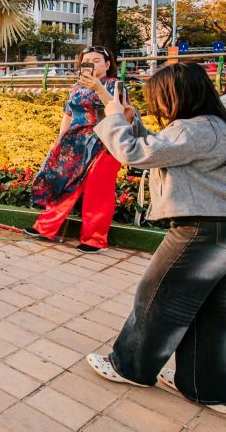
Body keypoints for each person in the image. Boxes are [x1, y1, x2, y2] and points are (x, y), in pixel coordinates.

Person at [84, 63, 226, 413]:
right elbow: (160, 148)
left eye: (160, 97)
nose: (160, 105)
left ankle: (129, 365)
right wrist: (130, 122)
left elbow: (135, 153)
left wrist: (115, 116)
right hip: (220, 228)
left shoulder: (194, 130)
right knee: (209, 311)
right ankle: (202, 386)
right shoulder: (215, 126)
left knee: (157, 297)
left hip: (199, 229)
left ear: (178, 95)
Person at [24, 46, 123, 253]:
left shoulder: (115, 86)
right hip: (74, 143)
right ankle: (45, 227)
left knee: (98, 191)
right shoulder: (76, 88)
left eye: (97, 60)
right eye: (87, 61)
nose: (92, 64)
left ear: (107, 64)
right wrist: (60, 139)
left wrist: (98, 88)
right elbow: (68, 115)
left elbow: (117, 111)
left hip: (104, 142)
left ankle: (95, 240)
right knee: (64, 183)